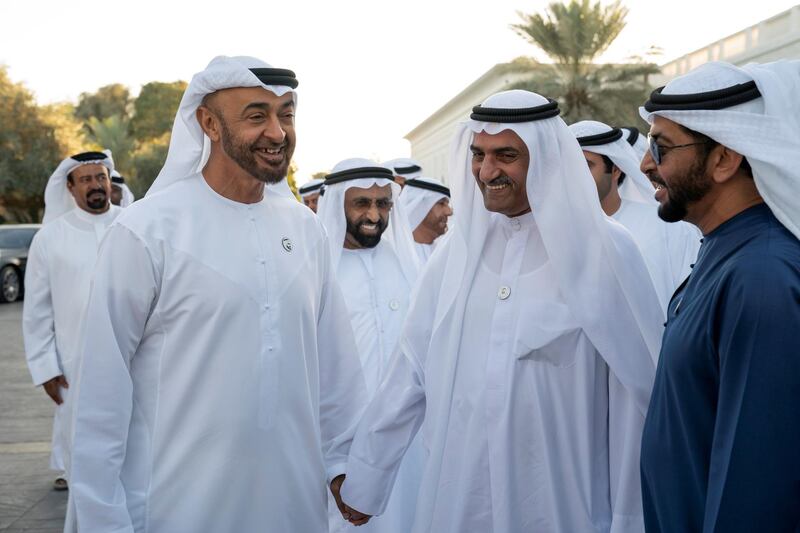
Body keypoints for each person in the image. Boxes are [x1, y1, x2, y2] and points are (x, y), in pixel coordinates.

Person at [339, 90, 664, 533]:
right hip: (461, 499)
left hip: (563, 505)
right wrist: (367, 477)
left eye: (506, 155)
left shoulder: (605, 250)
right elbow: (411, 368)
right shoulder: (456, 253)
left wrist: (630, 519)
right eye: (479, 154)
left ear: (546, 158)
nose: (487, 171)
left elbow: (638, 401)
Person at [66, 56, 367, 533]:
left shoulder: (305, 230)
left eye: (286, 114)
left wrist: (348, 464)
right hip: (176, 507)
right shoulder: (148, 230)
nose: (277, 131)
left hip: (293, 504)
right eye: (256, 115)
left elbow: (336, 368)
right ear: (207, 123)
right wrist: (105, 519)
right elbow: (101, 393)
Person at [638, 60, 800, 532]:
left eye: (661, 147)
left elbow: (757, 482)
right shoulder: (726, 250)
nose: (646, 164)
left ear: (724, 159)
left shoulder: (761, 275)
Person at [317, 158, 423, 533]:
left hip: (409, 447)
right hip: (340, 451)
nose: (374, 215)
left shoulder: (407, 267)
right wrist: (334, 463)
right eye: (361, 203)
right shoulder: (317, 272)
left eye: (383, 204)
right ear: (338, 205)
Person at [22, 150, 121, 491]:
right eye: (86, 180)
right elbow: (37, 310)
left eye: (101, 178)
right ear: (70, 187)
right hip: (75, 361)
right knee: (81, 447)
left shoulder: (133, 224)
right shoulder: (50, 238)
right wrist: (46, 367)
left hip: (133, 356)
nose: (95, 186)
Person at [570, 120, 700, 311]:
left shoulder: (667, 227)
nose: (574, 175)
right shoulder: (549, 233)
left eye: (585, 166)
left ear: (615, 170)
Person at [397, 177, 452, 263]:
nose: (449, 212)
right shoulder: (397, 254)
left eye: (447, 204)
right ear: (419, 207)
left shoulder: (446, 253)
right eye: (441, 203)